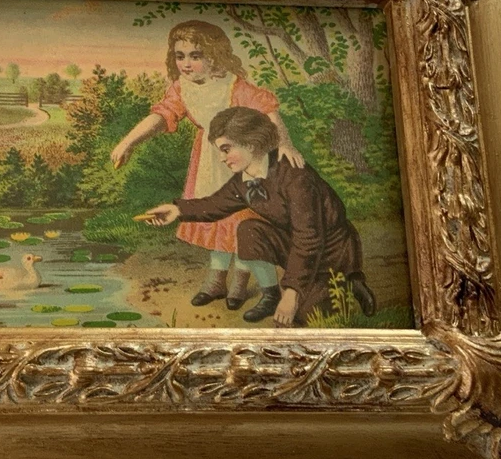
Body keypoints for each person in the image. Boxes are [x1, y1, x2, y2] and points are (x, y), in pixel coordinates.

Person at [111, 20, 305, 309]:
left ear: (214, 56)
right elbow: (162, 116)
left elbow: (268, 112)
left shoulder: (234, 86)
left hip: (241, 159)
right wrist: (129, 142)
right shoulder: (181, 89)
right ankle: (216, 281)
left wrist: (285, 144)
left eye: (196, 56)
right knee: (214, 219)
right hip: (207, 161)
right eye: (180, 56)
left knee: (242, 222)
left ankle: (239, 282)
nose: (186, 64)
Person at [144, 107, 376, 326]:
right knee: (248, 230)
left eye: (226, 149)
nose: (222, 158)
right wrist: (177, 210)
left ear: (251, 144)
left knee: (304, 316)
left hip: (330, 250)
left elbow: (309, 239)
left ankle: (352, 281)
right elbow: (214, 205)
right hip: (294, 245)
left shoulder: (295, 177)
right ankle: (272, 295)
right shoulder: (245, 179)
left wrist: (292, 294)